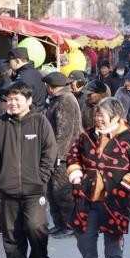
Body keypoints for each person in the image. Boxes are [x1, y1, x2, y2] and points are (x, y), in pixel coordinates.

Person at [66, 97, 130, 258]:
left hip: (115, 199)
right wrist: (76, 174)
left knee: (113, 241)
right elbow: (73, 155)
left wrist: (126, 184)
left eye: (102, 114)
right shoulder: (87, 136)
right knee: (83, 237)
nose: (98, 119)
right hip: (87, 197)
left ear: (116, 115)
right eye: (97, 114)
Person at [0, 81, 56, 258]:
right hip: (7, 189)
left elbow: (50, 151)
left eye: (17, 99)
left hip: (34, 189)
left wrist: (41, 177)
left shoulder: (39, 121)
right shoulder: (1, 122)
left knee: (36, 228)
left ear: (28, 100)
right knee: (11, 234)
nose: (12, 103)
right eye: (10, 99)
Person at [43, 72, 82, 239]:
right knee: (52, 192)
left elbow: (64, 131)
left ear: (51, 87)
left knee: (63, 192)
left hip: (64, 155)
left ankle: (69, 225)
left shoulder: (65, 100)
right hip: (57, 153)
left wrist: (57, 155)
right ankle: (59, 224)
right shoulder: (58, 99)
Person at [8, 47, 48, 111]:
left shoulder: (23, 76)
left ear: (17, 61)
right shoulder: (36, 72)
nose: (9, 64)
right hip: (40, 110)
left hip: (31, 113)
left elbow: (19, 97)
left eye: (9, 62)